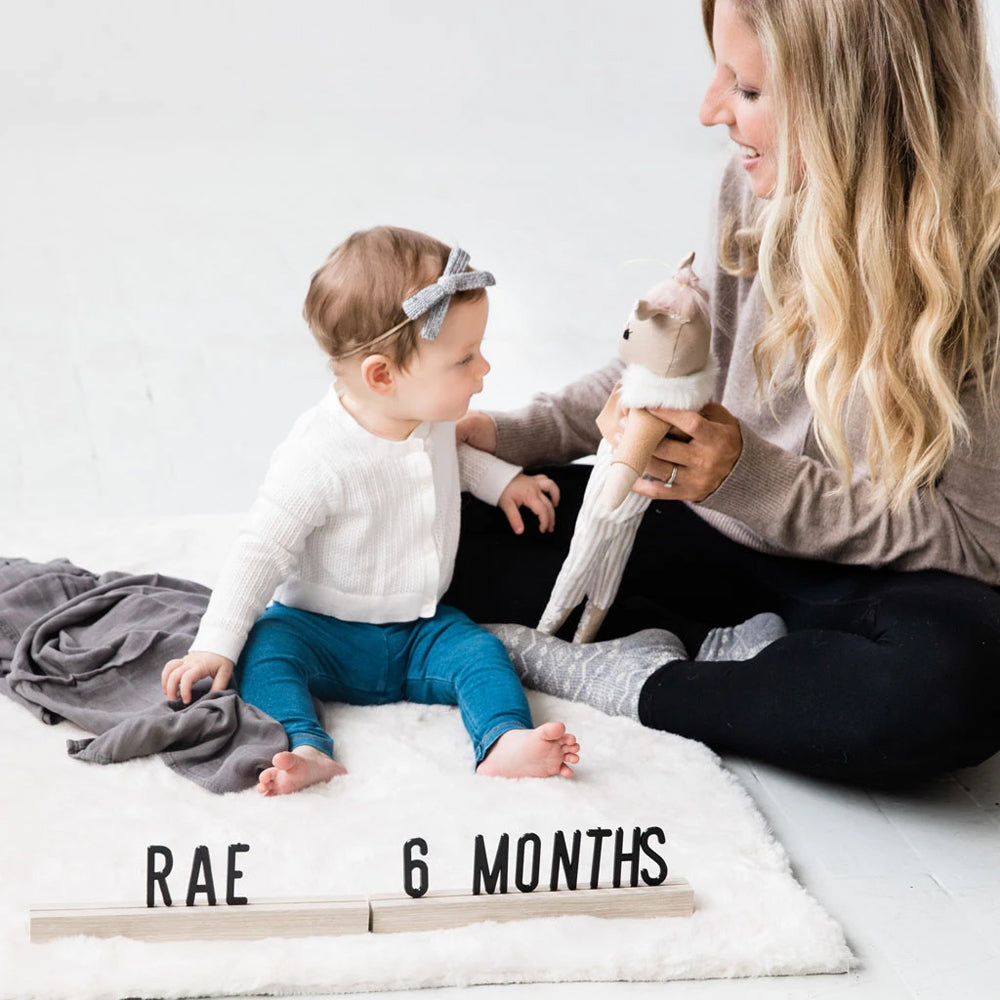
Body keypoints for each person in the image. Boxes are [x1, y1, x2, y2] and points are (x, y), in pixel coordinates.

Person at [448, 0, 1000, 787]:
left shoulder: (982, 263)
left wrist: (750, 478)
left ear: (853, 103)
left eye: (746, 90)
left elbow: (979, 543)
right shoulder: (751, 190)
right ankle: (754, 667)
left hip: (876, 578)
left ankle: (641, 681)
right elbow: (668, 364)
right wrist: (507, 435)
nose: (711, 111)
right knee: (432, 523)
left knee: (958, 683)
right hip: (712, 536)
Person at [161, 226, 578, 795]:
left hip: (420, 628)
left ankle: (503, 738)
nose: (484, 369)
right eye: (464, 359)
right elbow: (260, 549)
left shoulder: (430, 418)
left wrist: (503, 482)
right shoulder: (318, 456)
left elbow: (453, 461)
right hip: (319, 630)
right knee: (265, 655)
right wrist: (215, 643)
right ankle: (306, 747)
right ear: (382, 375)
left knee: (480, 653)